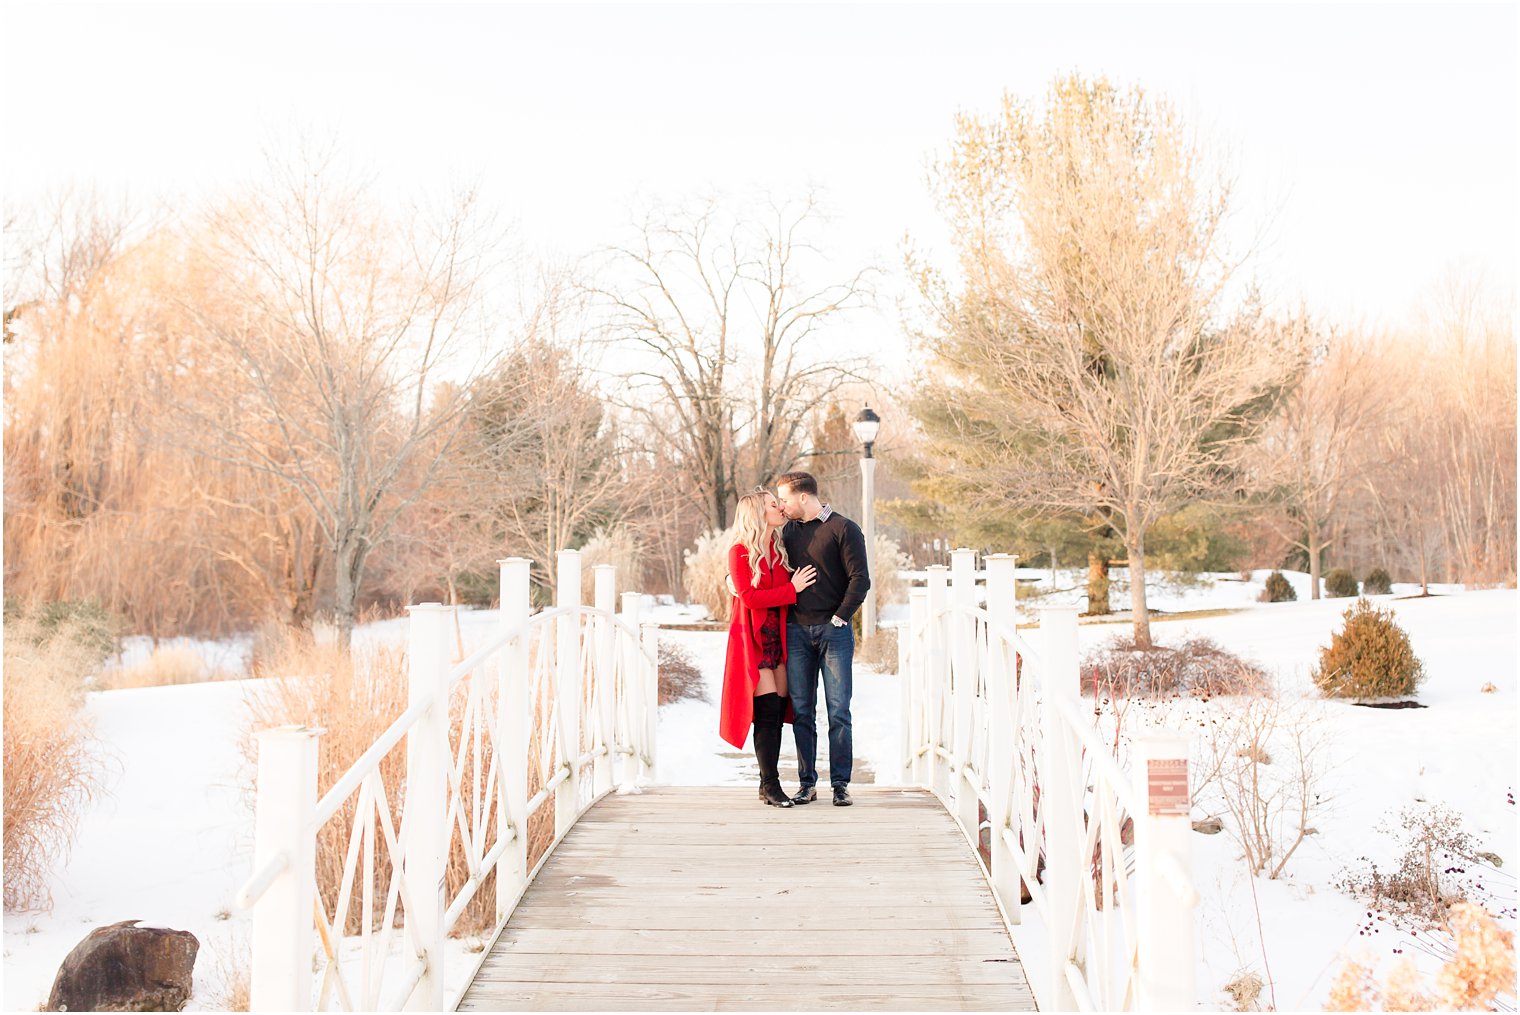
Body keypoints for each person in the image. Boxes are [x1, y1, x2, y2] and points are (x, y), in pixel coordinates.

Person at [775, 471, 870, 807]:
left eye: (784, 499)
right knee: (802, 712)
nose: (781, 506)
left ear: (804, 497)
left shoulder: (844, 529)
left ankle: (841, 784)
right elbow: (764, 563)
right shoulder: (787, 532)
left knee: (838, 711)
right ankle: (806, 784)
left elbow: (861, 580)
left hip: (835, 632)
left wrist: (841, 616)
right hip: (797, 631)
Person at [718, 489, 818, 807]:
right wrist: (792, 589)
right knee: (767, 710)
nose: (780, 508)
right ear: (757, 514)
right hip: (754, 640)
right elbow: (750, 598)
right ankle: (770, 785)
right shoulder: (740, 552)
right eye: (773, 505)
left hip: (781, 638)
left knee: (777, 713)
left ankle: (768, 785)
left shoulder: (779, 547)